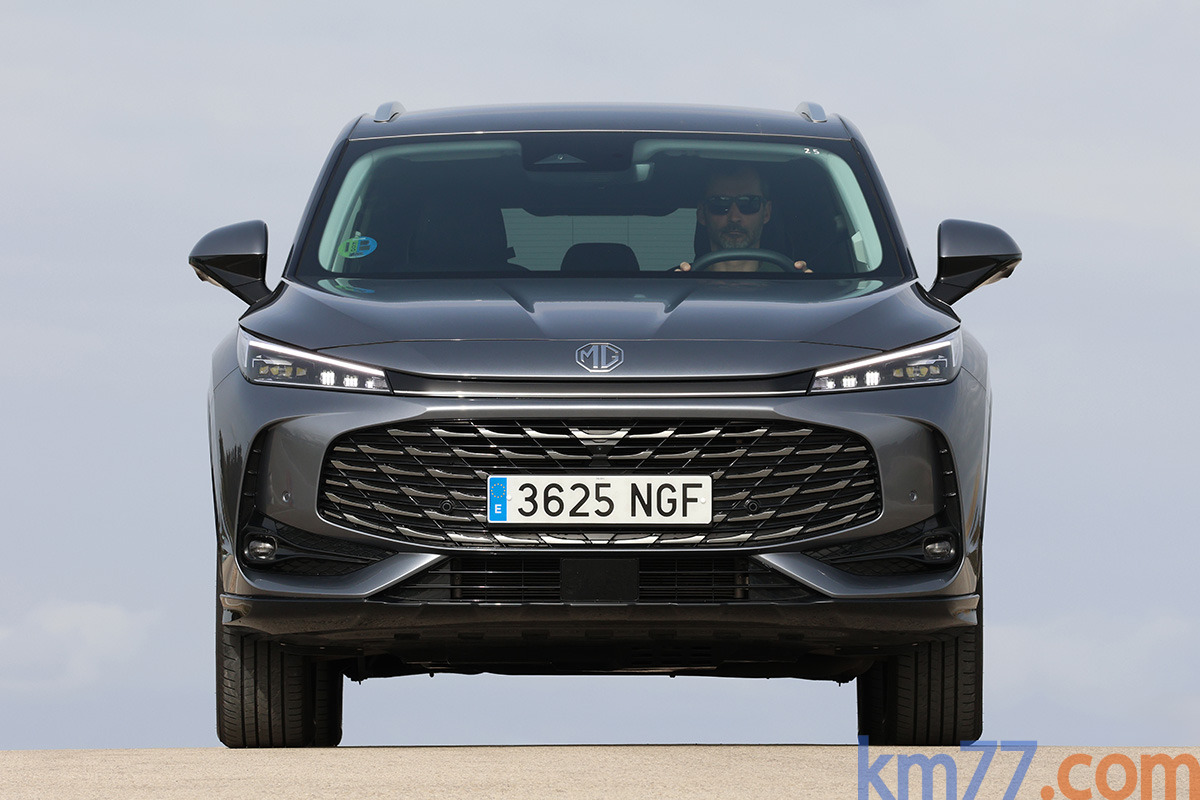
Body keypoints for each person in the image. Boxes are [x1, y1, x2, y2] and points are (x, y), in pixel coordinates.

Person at [676, 166, 809, 272]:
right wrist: (677, 285)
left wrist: (808, 290)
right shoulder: (678, 284)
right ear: (701, 214)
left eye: (748, 203)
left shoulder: (791, 284)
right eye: (720, 203)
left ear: (766, 213)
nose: (734, 217)